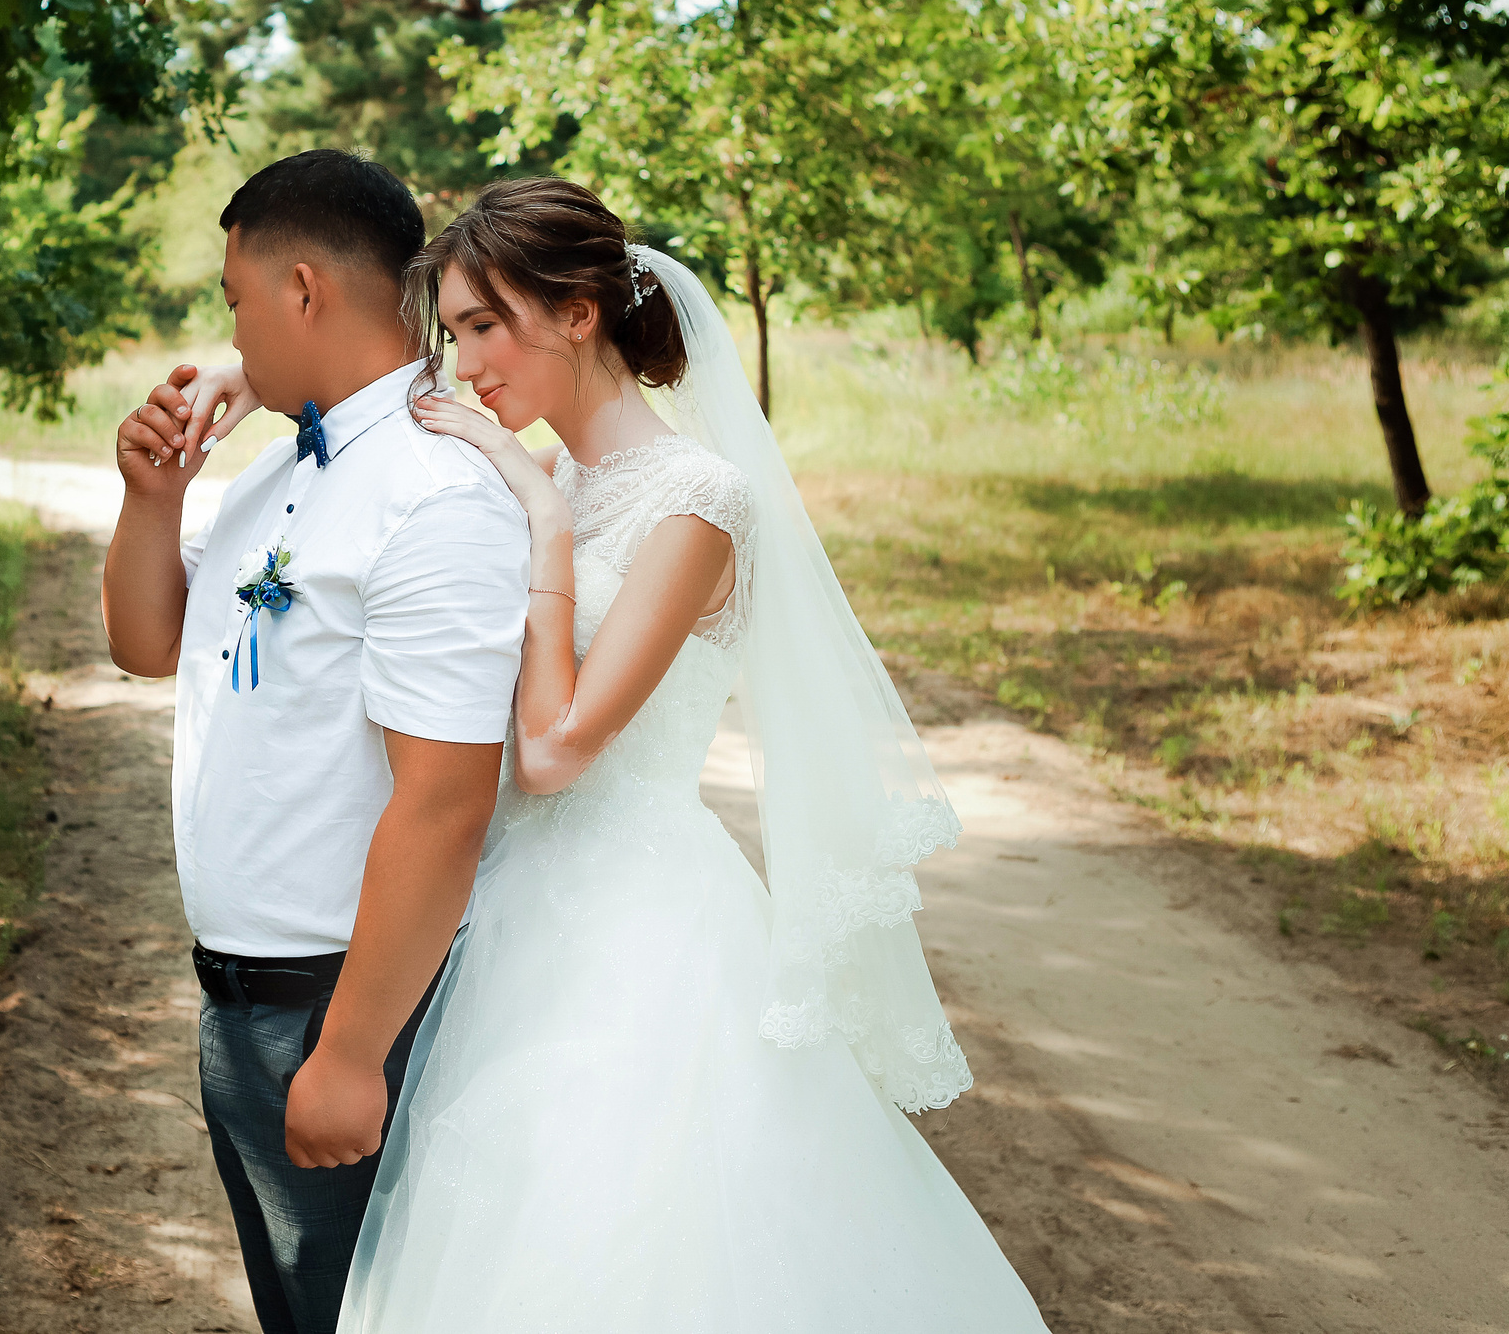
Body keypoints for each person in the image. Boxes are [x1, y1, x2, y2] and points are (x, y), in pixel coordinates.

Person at [176, 178, 1050, 1332]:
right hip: (497, 917)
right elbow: (380, 385)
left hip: (629, 929)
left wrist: (541, 517)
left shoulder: (694, 504)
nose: (468, 363)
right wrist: (255, 372)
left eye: (487, 327)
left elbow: (550, 751)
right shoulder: (546, 458)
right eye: (455, 332)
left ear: (578, 314)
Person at [101, 149, 530, 1334]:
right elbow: (148, 643)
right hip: (245, 1004)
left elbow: (443, 802)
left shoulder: (433, 495)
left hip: (346, 1009)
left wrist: (345, 1056)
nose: (229, 331)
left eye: (236, 299)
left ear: (302, 289)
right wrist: (154, 499)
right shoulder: (286, 467)